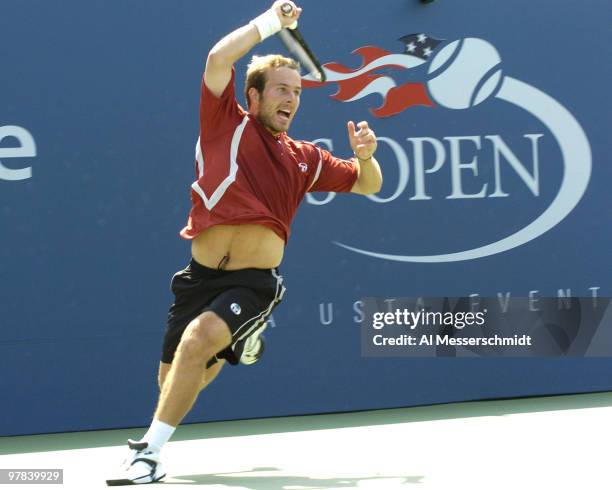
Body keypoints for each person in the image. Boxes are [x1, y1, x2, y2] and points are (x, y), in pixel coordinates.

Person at [106, 1, 382, 485]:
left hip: (254, 282)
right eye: (281, 89)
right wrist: (271, 22)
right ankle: (241, 341)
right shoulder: (224, 124)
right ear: (251, 96)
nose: (291, 99)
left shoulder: (306, 158)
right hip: (199, 277)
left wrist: (365, 158)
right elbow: (218, 60)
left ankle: (148, 454)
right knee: (177, 375)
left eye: (296, 92)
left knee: (198, 342)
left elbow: (368, 184)